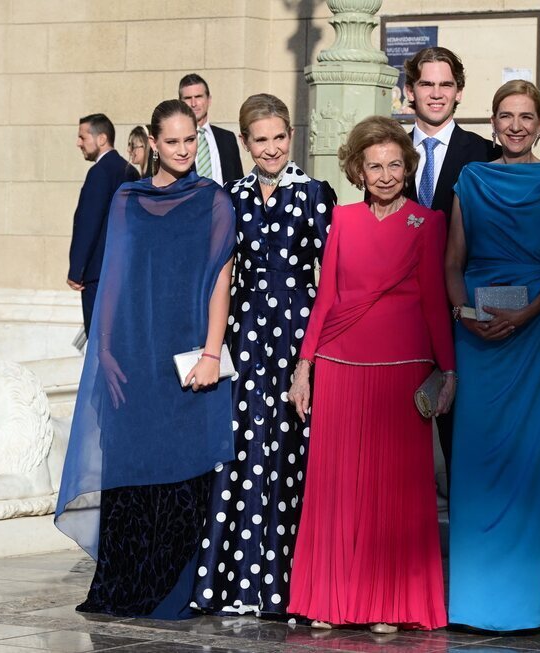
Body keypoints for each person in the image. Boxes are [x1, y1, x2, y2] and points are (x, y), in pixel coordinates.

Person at [55, 99, 237, 619]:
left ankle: (167, 589)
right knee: (129, 467)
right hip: (131, 353)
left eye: (188, 141)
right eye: (171, 141)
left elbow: (219, 283)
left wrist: (210, 351)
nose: (181, 150)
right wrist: (105, 348)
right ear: (152, 143)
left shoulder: (213, 201)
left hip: (187, 357)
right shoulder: (126, 198)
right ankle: (122, 584)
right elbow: (113, 276)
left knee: (182, 472)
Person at [287, 116, 455, 633]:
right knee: (336, 490)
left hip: (402, 372)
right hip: (339, 368)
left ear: (408, 167)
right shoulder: (342, 219)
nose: (385, 175)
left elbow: (434, 304)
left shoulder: (428, 224)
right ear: (358, 170)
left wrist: (448, 371)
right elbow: (326, 299)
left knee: (396, 493)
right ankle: (330, 601)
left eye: (395, 165)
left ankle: (389, 604)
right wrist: (304, 367)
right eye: (374, 166)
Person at [192, 94, 336, 618]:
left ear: (291, 135)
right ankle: (238, 586)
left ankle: (292, 588)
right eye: (260, 139)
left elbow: (333, 280)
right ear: (246, 142)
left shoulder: (316, 193)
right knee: (243, 454)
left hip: (299, 342)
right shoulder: (230, 196)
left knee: (293, 453)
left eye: (279, 137)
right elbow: (218, 277)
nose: (271, 148)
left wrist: (316, 354)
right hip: (245, 340)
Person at [445, 80, 540, 633]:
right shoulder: (470, 178)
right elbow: (453, 262)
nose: (516, 125)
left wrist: (523, 316)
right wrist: (464, 313)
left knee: (534, 462)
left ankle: (528, 597)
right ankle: (473, 599)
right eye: (506, 115)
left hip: (537, 336)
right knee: (476, 464)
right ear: (493, 123)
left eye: (526, 116)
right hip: (478, 342)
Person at [400, 45, 500, 492]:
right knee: (397, 454)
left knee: (464, 450)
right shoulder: (388, 151)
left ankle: (465, 556)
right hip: (398, 321)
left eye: (445, 85)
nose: (436, 94)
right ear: (409, 91)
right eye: (426, 84)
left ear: (459, 92)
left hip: (461, 323)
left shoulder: (486, 154)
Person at [67, 113, 140, 336]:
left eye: (83, 137)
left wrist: (76, 270)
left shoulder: (99, 172)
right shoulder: (129, 170)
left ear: (101, 139)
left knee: (98, 339)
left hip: (97, 274)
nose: (79, 143)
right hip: (121, 269)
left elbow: (89, 222)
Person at [179, 73, 244, 186]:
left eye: (198, 97)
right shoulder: (174, 140)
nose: (193, 103)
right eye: (188, 98)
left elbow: (238, 180)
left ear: (209, 100)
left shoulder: (227, 138)